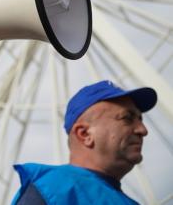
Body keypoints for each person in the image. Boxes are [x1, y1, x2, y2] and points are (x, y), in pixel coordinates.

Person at [12, 80, 157, 205]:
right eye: (127, 118)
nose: (143, 130)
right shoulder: (50, 190)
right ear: (85, 134)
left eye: (140, 119)